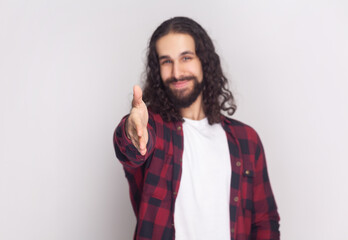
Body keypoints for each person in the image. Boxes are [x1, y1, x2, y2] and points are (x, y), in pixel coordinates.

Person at [113, 16, 280, 240]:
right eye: (166, 61)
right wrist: (132, 134)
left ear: (204, 61)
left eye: (186, 58)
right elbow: (131, 149)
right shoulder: (154, 129)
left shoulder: (246, 140)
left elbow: (264, 220)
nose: (176, 72)